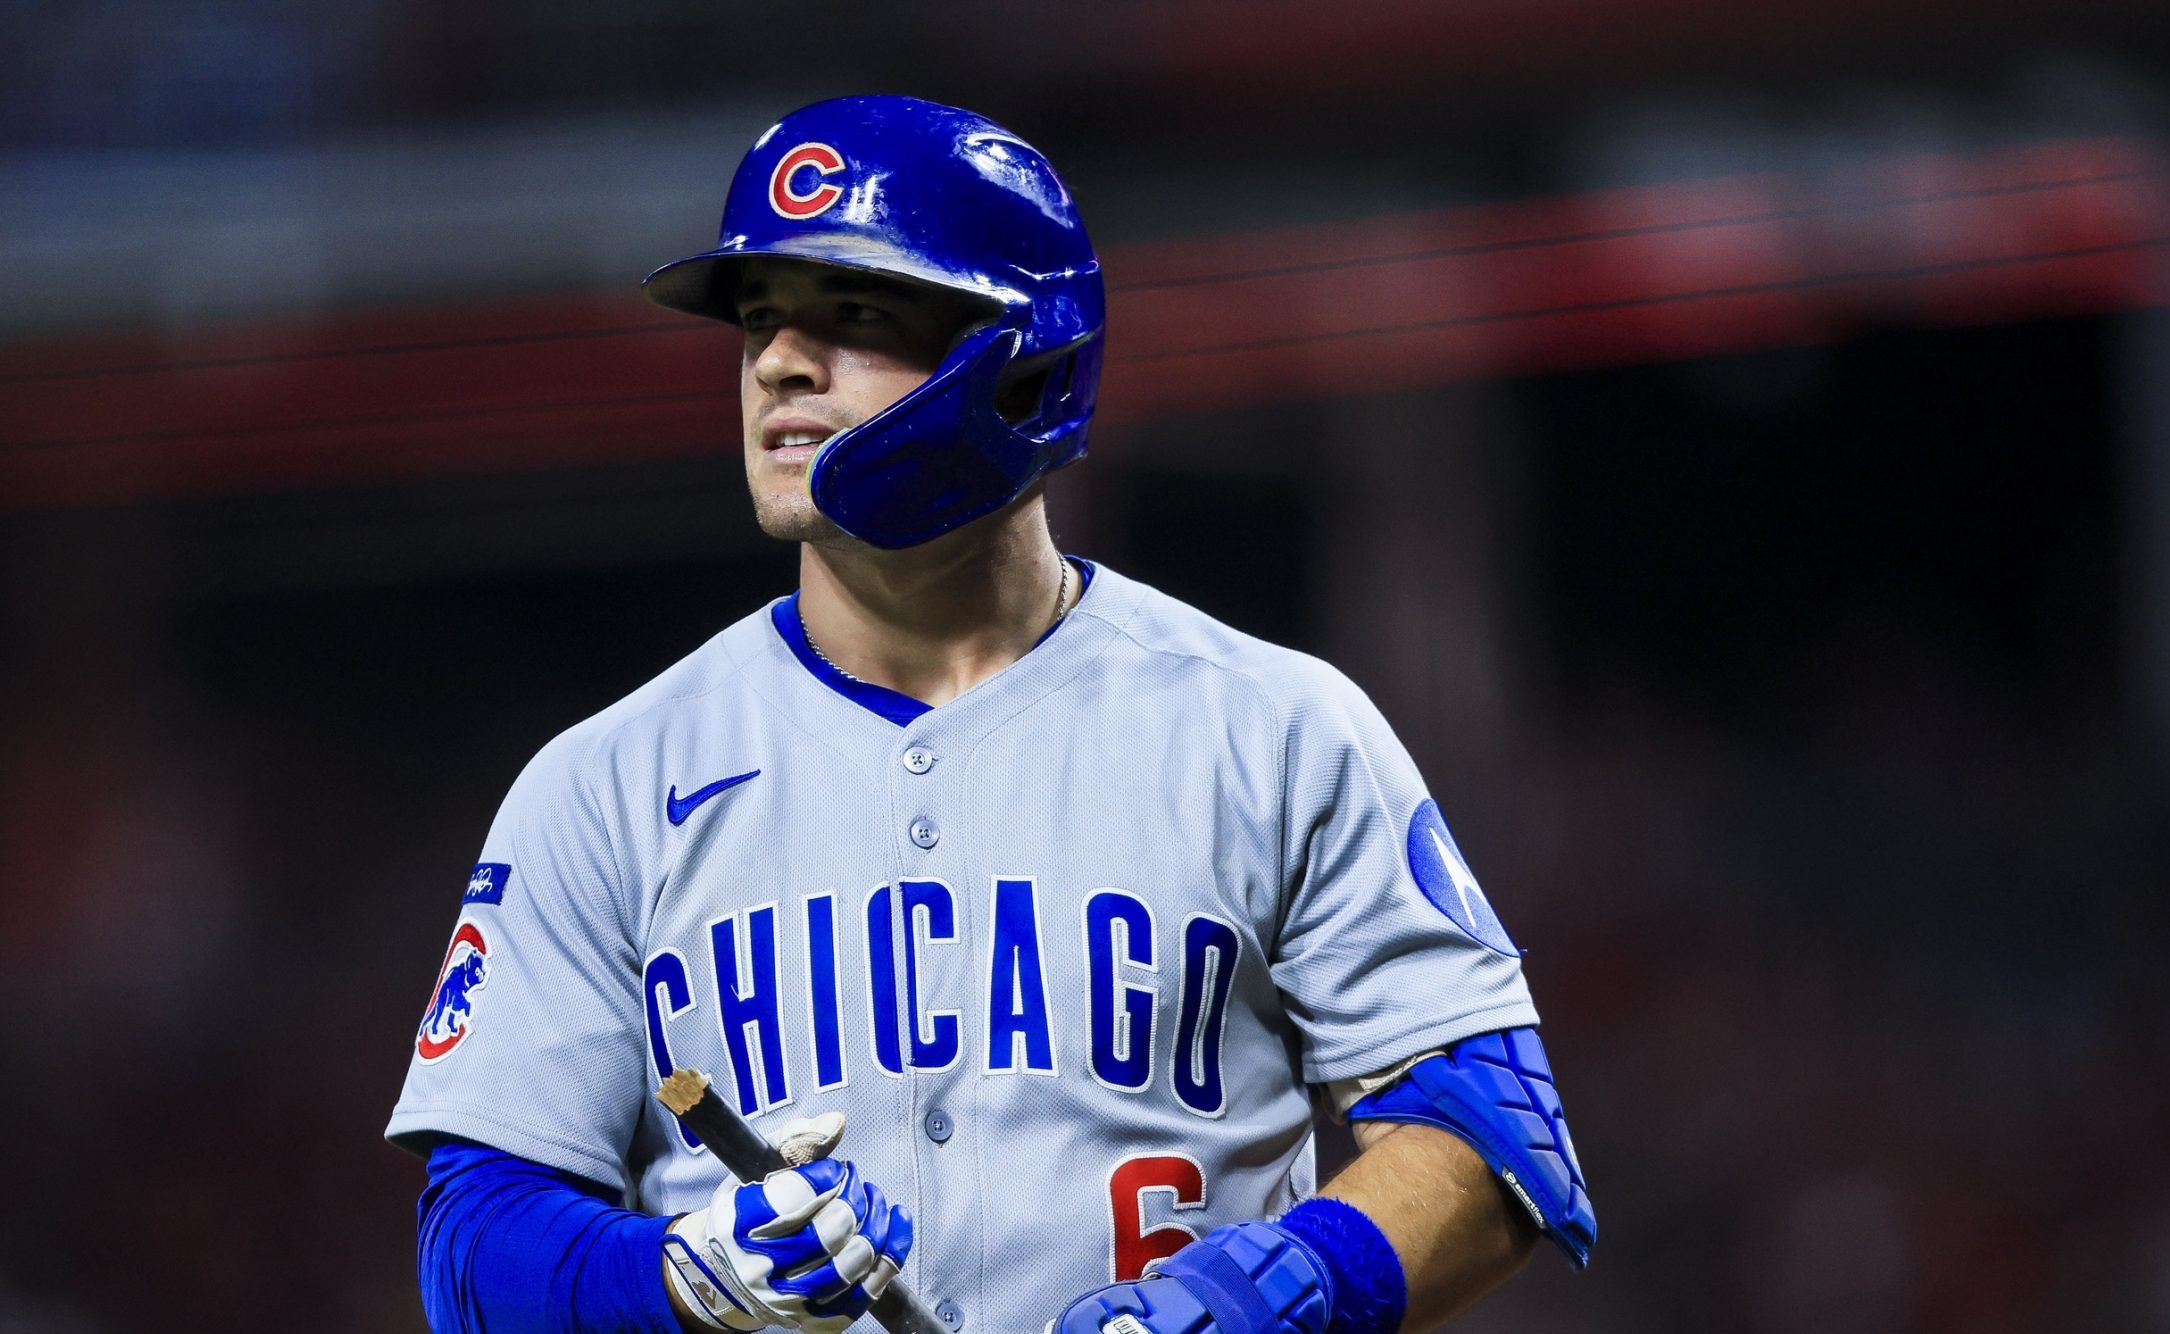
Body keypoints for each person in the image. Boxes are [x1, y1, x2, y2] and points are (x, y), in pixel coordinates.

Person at [387, 95, 1595, 1334]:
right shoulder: (603, 783)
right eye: (759, 321)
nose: (778, 363)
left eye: (853, 313)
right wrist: (677, 1277)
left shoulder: (1271, 728)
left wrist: (1266, 1293)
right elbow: (472, 1241)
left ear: (1023, 350)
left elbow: (1493, 1134)